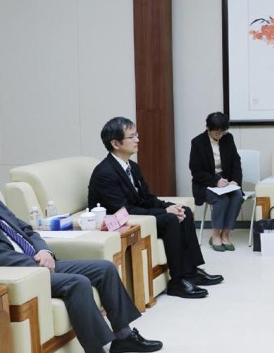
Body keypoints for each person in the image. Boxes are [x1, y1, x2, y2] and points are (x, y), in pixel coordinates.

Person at [0, 147, 162, 353]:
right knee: (77, 283)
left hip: (38, 262)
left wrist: (44, 251)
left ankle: (123, 336)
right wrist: (34, 263)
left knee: (104, 268)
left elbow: (27, 230)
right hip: (19, 275)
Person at [88, 117, 223, 299]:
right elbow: (123, 211)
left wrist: (169, 206)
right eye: (132, 136)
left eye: (137, 135)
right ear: (115, 143)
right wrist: (165, 212)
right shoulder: (105, 173)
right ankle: (177, 281)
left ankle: (191, 271)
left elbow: (146, 198)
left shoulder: (132, 167)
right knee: (170, 219)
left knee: (183, 211)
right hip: (120, 223)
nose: (137, 140)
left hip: (137, 214)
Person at [189, 111, 245, 252]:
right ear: (207, 127)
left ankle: (225, 234)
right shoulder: (198, 142)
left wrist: (235, 181)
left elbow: (236, 161)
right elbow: (196, 171)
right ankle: (215, 235)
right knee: (222, 200)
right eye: (216, 132)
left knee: (237, 197)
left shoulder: (228, 138)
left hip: (227, 182)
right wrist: (215, 181)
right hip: (206, 183)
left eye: (222, 132)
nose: (219, 135)